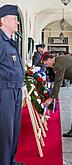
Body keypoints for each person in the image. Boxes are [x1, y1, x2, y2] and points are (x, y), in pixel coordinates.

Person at [0, 4, 25, 165]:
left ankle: (10, 160)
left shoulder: (9, 41)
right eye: (14, 19)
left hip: (14, 90)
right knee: (5, 131)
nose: (17, 23)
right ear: (3, 21)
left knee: (14, 129)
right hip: (5, 91)